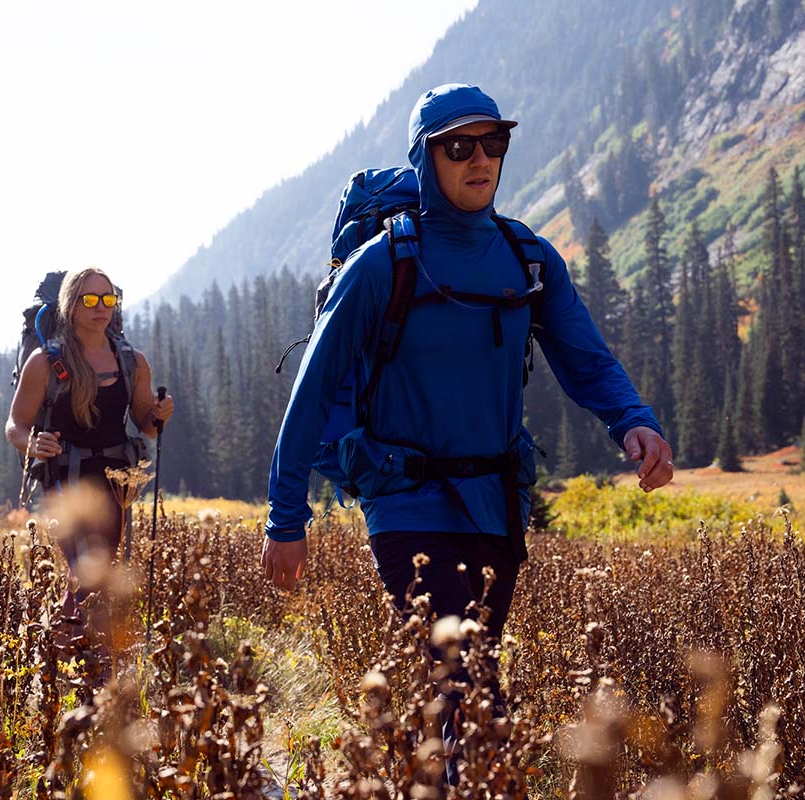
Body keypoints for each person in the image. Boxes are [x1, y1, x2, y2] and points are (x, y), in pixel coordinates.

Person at [262, 83, 673, 784]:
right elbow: (310, 393)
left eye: (494, 142)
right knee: (465, 689)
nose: (480, 159)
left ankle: (412, 773)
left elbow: (584, 355)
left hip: (495, 508)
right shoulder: (382, 265)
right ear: (426, 160)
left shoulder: (526, 258)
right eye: (459, 147)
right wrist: (285, 519)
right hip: (405, 505)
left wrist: (633, 421)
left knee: (469, 677)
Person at [6, 267, 173, 598]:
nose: (101, 307)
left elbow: (147, 428)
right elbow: (15, 425)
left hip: (114, 479)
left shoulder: (132, 362)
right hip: (64, 477)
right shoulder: (43, 363)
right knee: (85, 568)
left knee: (99, 570)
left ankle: (74, 640)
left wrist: (159, 414)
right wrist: (33, 444)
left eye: (108, 299)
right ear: (71, 305)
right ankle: (70, 641)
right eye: (91, 299)